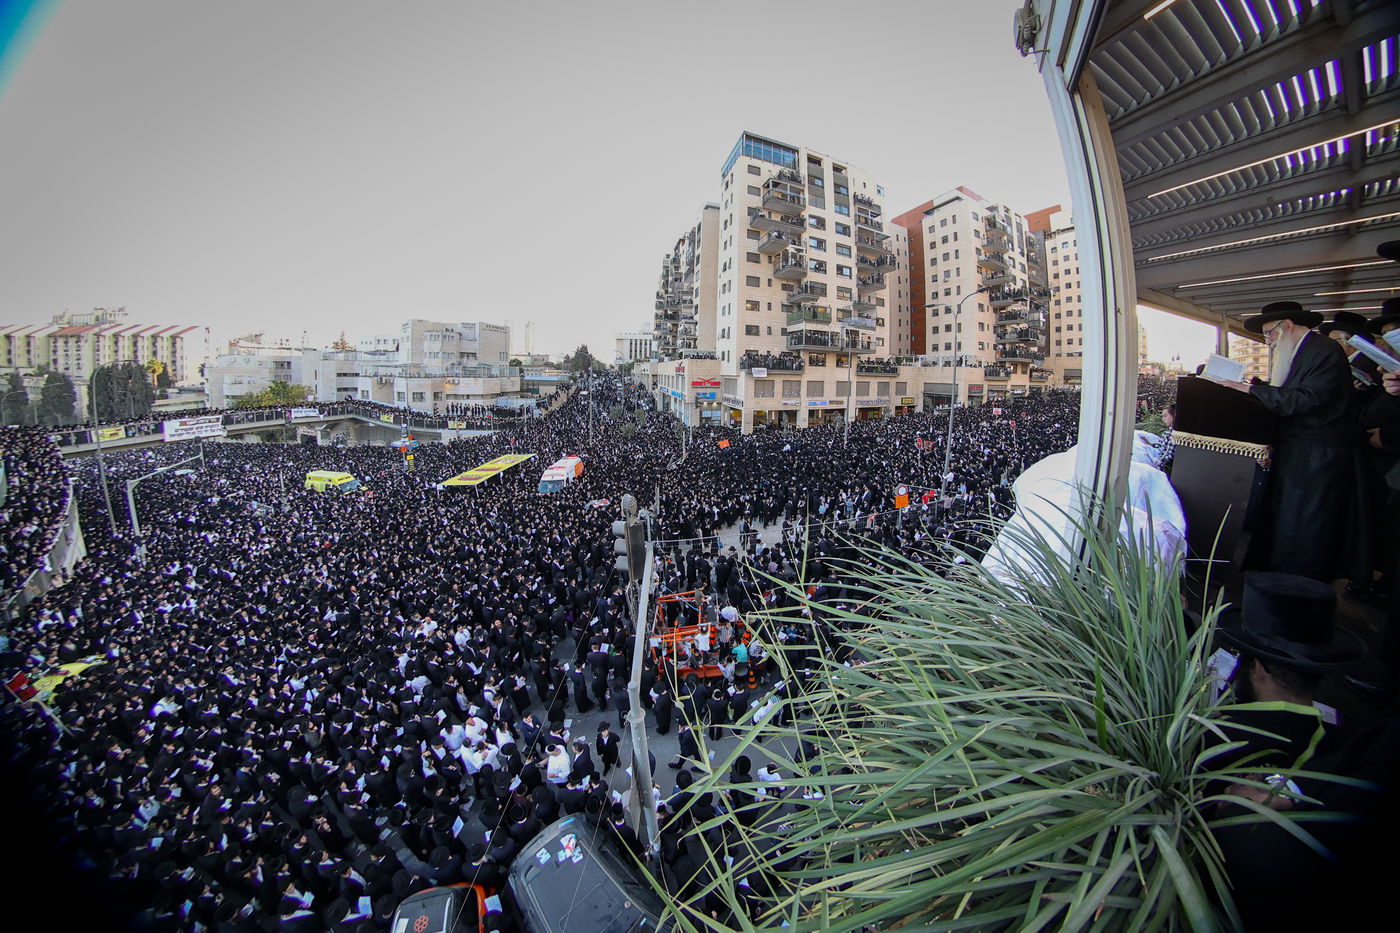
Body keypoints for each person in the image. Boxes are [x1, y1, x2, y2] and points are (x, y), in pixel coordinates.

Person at [1216, 301, 1359, 582]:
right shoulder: (1301, 351)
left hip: (1318, 458)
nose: (1268, 341)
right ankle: (1279, 578)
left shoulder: (1325, 350)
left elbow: (1309, 399)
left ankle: (1299, 585)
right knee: (1288, 520)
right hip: (1299, 454)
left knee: (1307, 525)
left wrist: (1251, 390)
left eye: (1269, 333)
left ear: (1288, 325)